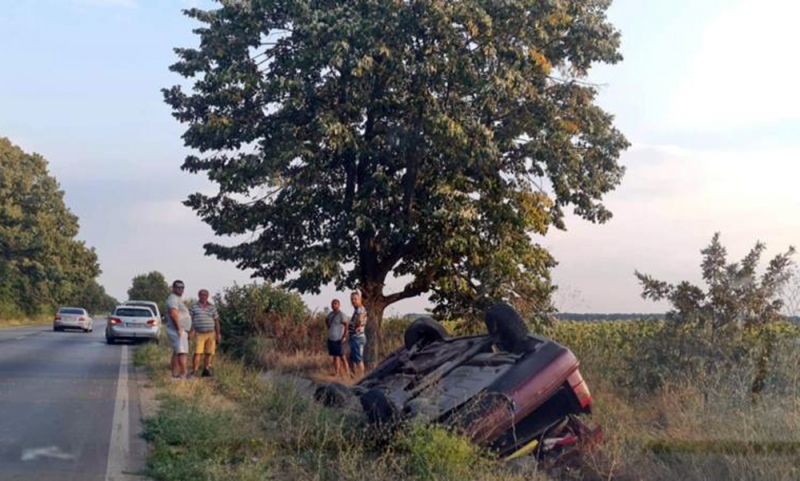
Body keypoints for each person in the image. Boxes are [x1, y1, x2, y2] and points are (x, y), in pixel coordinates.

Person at [189, 289, 221, 378]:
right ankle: (194, 370)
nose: (203, 297)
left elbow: (216, 321)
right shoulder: (194, 307)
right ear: (199, 296)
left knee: (209, 352)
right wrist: (191, 331)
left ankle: (206, 370)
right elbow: (190, 320)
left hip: (211, 333)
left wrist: (218, 333)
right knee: (197, 352)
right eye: (202, 295)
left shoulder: (212, 307)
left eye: (205, 295)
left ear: (207, 296)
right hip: (199, 333)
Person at [166, 280, 193, 379]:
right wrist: (179, 329)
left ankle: (175, 374)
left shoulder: (177, 299)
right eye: (178, 287)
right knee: (182, 352)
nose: (180, 289)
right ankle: (184, 373)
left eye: (182, 287)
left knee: (177, 352)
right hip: (177, 330)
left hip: (179, 330)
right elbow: (174, 314)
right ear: (173, 288)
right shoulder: (173, 299)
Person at [325, 298, 349, 377]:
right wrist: (329, 326)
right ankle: (337, 373)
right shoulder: (330, 314)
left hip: (339, 338)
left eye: (335, 304)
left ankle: (347, 373)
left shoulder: (341, 315)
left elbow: (346, 325)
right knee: (335, 356)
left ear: (339, 305)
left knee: (342, 356)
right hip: (331, 338)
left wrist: (344, 336)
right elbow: (326, 320)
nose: (334, 305)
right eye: (333, 304)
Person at [348, 291, 367, 377]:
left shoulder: (360, 309)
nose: (353, 301)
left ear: (360, 299)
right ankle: (354, 377)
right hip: (354, 337)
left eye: (355, 299)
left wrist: (359, 324)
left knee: (358, 359)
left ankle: (361, 378)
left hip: (358, 337)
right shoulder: (356, 310)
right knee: (353, 358)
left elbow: (361, 319)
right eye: (352, 299)